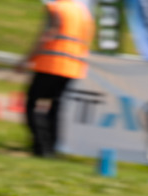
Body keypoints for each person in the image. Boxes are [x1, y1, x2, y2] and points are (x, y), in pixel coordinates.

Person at [17, 0, 95, 158]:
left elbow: (46, 35)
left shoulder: (56, 8)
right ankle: (52, 147)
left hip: (51, 63)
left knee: (33, 103)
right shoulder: (83, 13)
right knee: (55, 107)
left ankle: (41, 148)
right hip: (73, 67)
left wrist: (27, 59)